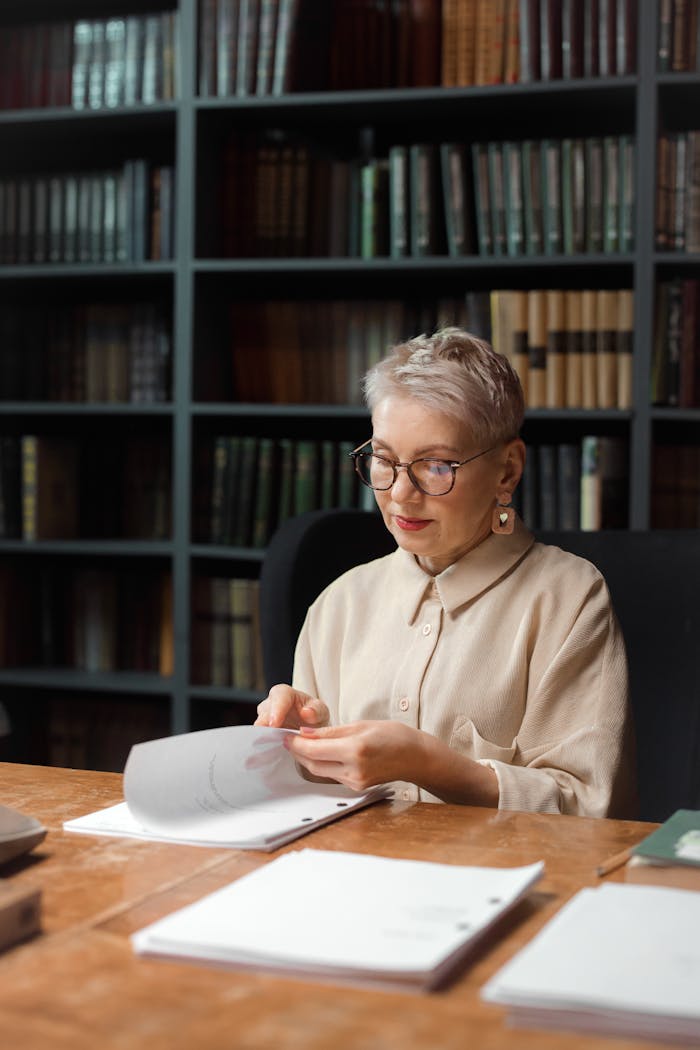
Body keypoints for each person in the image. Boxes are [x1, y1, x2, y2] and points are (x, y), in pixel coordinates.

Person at [255, 328, 637, 817]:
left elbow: (592, 811)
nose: (399, 495)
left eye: (436, 466)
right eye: (384, 460)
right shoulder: (339, 603)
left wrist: (431, 765)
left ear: (507, 471)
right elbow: (306, 812)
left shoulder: (570, 599)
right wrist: (292, 749)